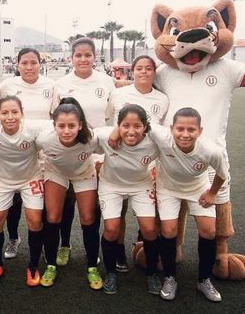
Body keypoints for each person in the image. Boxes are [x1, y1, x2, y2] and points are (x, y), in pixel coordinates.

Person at [150, 108, 227, 302]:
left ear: (200, 131)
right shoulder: (161, 136)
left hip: (197, 189)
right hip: (167, 188)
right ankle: (170, 278)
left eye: (191, 130)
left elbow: (222, 174)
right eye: (180, 129)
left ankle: (204, 280)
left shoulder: (211, 150)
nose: (185, 134)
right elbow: (140, 120)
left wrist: (211, 194)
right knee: (168, 231)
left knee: (209, 232)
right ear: (171, 128)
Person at [51, 37, 115, 269]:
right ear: (71, 58)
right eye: (78, 55)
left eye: (88, 55)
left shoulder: (107, 82)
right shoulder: (61, 84)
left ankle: (92, 252)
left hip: (95, 153)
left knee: (92, 208)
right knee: (67, 203)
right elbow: (56, 118)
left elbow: (108, 116)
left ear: (94, 57)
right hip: (67, 152)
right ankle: (65, 245)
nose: (83, 59)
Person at [0, 96, 49, 286]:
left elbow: (55, 125)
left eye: (14, 112)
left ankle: (32, 266)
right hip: (2, 180)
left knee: (35, 219)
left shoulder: (32, 127)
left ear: (22, 113)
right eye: (4, 113)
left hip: (30, 178)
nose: (10, 117)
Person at [105, 55, 169, 271]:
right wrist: (115, 131)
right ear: (132, 71)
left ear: (154, 72)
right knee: (118, 212)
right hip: (118, 160)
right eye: (139, 68)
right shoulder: (118, 94)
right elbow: (110, 122)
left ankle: (145, 250)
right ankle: (119, 251)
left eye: (148, 68)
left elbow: (162, 132)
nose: (144, 72)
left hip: (146, 164)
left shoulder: (162, 99)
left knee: (149, 218)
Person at [36, 98, 101, 289]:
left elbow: (113, 135)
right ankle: (50, 264)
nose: (66, 130)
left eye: (71, 125)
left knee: (88, 218)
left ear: (80, 125)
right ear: (54, 125)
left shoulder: (92, 139)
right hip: (56, 173)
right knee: (53, 216)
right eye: (61, 125)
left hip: (83, 173)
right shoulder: (44, 139)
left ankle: (91, 267)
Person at [97, 105, 160, 294]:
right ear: (117, 126)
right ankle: (110, 273)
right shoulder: (103, 135)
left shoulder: (155, 139)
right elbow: (80, 134)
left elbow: (175, 135)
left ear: (145, 127)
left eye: (137, 126)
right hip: (111, 186)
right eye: (125, 126)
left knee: (149, 229)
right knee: (111, 228)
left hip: (141, 185)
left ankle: (152, 274)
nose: (131, 131)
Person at [0, 48, 54, 260]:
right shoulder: (6, 86)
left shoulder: (50, 85)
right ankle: (13, 238)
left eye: (33, 62)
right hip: (13, 151)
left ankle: (43, 244)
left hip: (43, 152)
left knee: (42, 203)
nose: (29, 67)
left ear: (40, 63)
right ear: (17, 64)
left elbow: (55, 116)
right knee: (13, 199)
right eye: (24, 63)